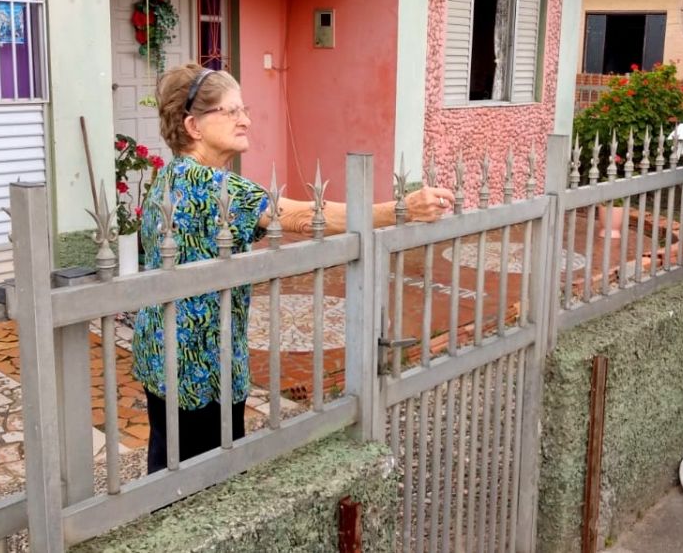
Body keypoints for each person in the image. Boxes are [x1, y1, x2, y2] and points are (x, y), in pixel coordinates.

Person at [132, 64, 455, 473]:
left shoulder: (168, 177)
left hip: (161, 352)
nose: (245, 119)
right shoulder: (212, 185)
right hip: (202, 367)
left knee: (166, 468)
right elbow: (305, 218)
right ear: (194, 126)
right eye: (230, 112)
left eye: (244, 109)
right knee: (206, 482)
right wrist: (402, 208)